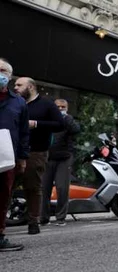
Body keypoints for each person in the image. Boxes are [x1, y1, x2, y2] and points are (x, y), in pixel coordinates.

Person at [14, 77, 64, 235]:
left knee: (32, 187)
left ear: (30, 87)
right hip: (12, 151)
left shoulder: (47, 104)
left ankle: (33, 221)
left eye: (19, 85)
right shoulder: (15, 102)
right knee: (6, 187)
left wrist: (36, 124)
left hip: (35, 151)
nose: (15, 87)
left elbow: (59, 124)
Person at [0, 58, 29, 252]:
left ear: (9, 77)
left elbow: (24, 132)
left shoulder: (18, 102)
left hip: (6, 157)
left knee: (2, 196)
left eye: (2, 71)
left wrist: (22, 157)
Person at [40, 99, 80, 226]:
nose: (61, 109)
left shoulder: (68, 120)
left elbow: (76, 130)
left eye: (63, 107)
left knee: (62, 188)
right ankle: (43, 218)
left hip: (64, 158)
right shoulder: (48, 119)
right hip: (47, 157)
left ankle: (60, 218)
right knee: (43, 189)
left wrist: (66, 117)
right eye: (58, 107)